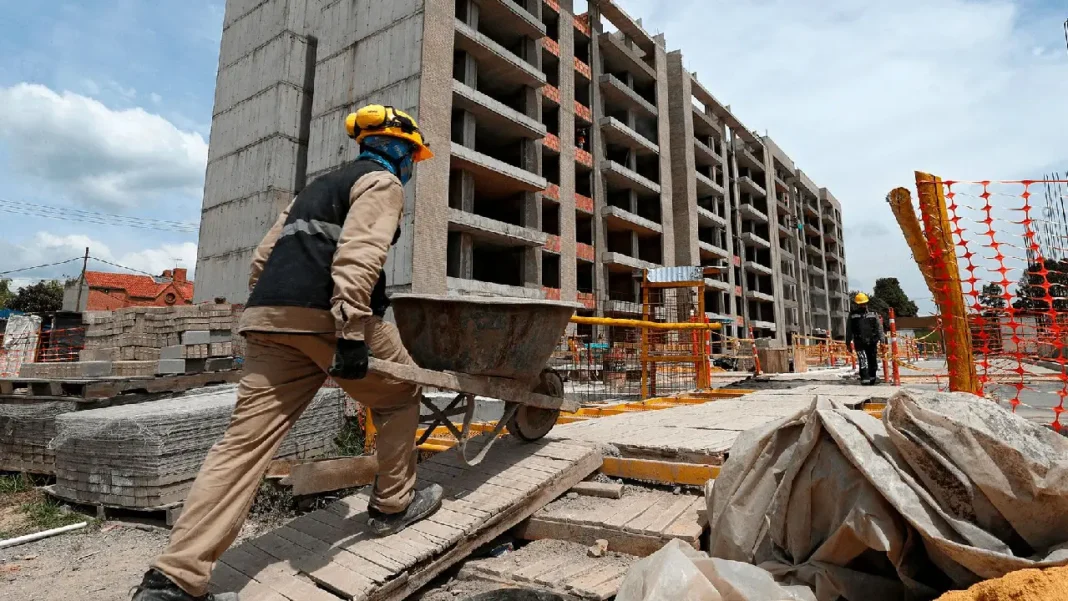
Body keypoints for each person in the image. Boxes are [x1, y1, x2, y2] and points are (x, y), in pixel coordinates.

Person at [132, 105, 442, 601]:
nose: (411, 167)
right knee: (401, 393)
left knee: (243, 444)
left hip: (270, 318)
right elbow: (360, 255)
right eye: (412, 158)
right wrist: (350, 334)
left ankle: (174, 579)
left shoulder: (314, 190)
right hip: (328, 318)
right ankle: (392, 506)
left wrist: (274, 310)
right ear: (401, 151)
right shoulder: (382, 183)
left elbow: (263, 258)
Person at [845, 292, 885, 385]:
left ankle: (872, 378)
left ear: (866, 303)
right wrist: (848, 343)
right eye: (860, 304)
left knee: (872, 360)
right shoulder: (853, 315)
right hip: (859, 342)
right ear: (857, 304)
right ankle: (865, 379)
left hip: (872, 341)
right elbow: (849, 329)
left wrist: (882, 340)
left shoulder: (873, 314)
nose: (862, 306)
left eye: (863, 304)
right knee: (863, 360)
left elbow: (879, 328)